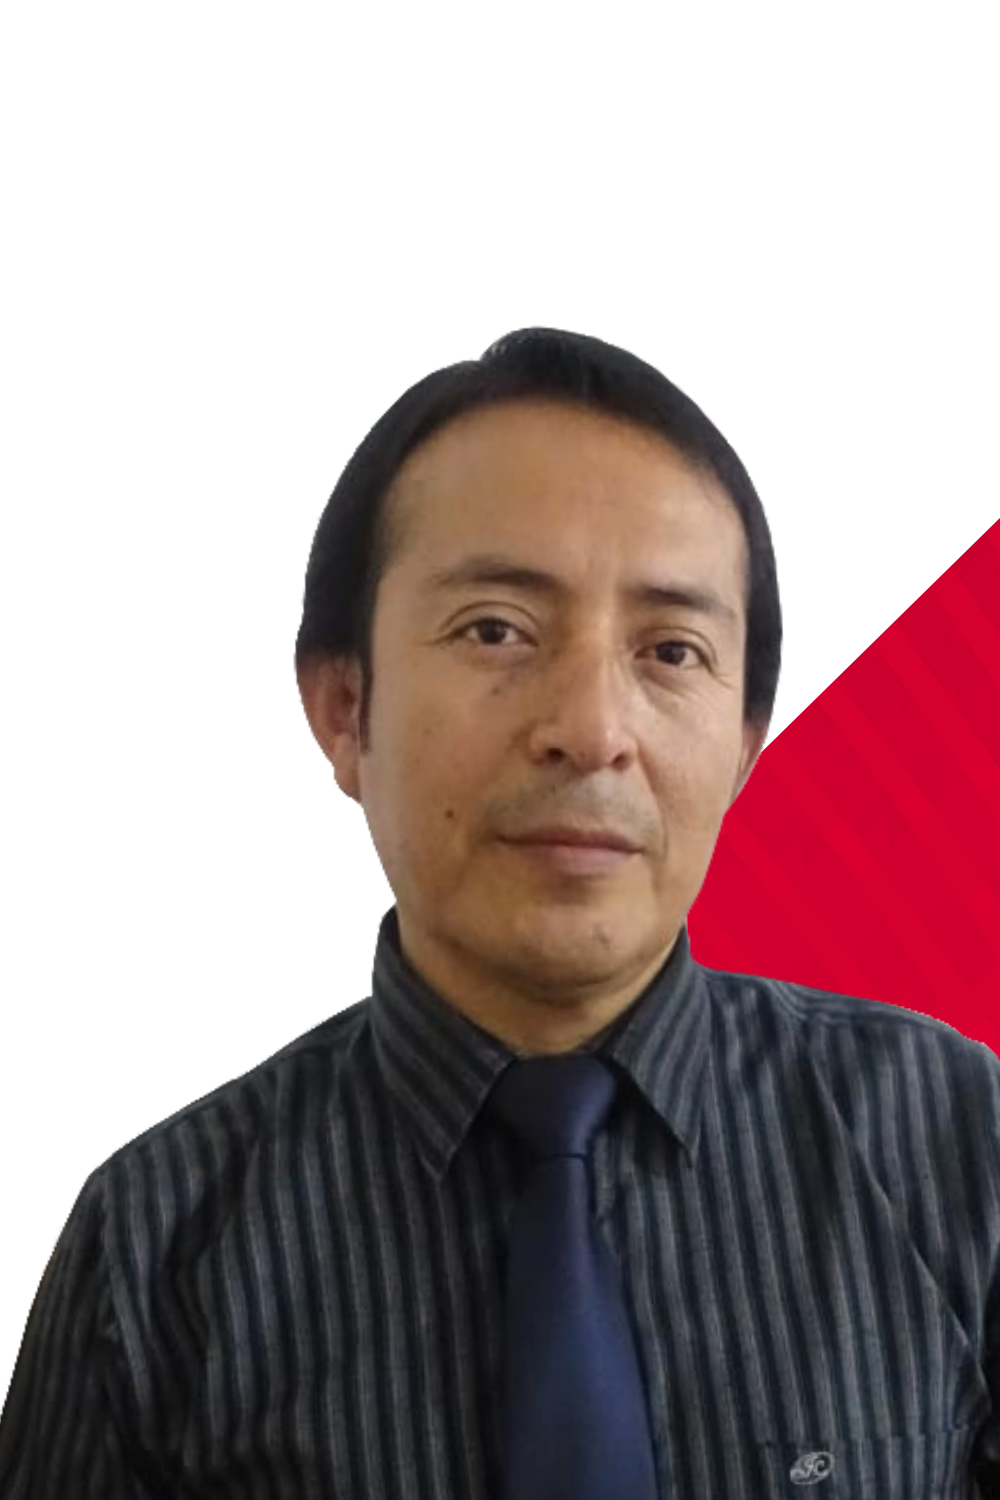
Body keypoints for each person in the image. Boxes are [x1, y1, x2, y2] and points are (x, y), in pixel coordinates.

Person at [2, 327, 998, 1499]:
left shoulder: (950, 1143)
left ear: (742, 746)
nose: (592, 728)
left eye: (671, 650)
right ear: (342, 706)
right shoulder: (153, 1252)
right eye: (495, 631)